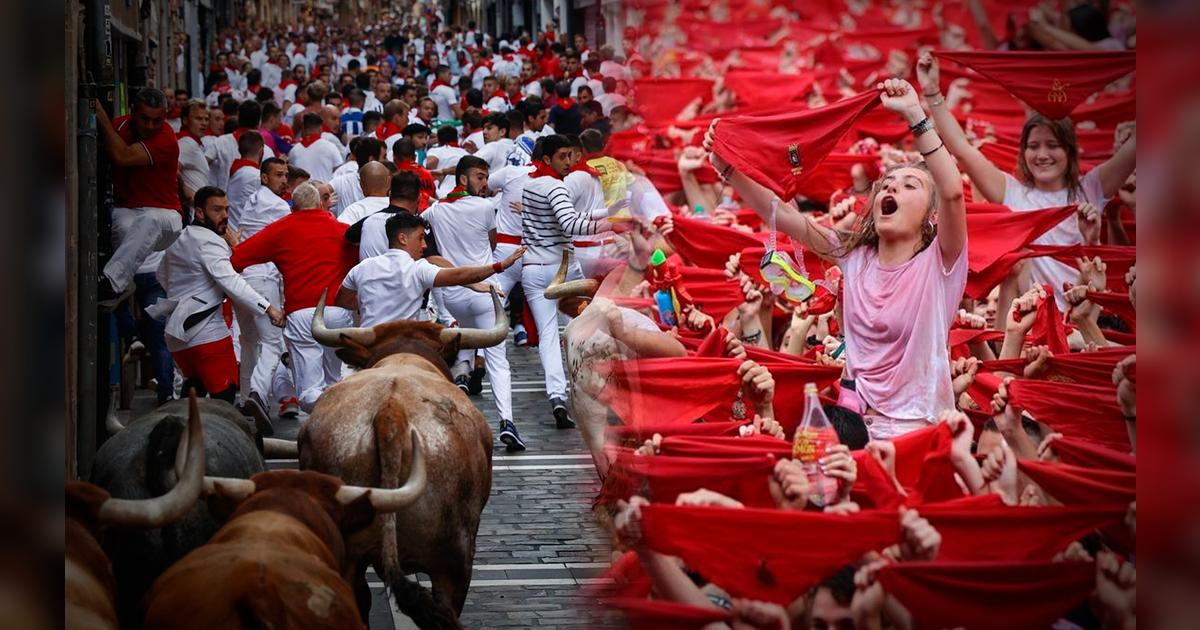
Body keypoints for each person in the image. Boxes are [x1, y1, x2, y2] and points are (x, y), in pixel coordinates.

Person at [705, 79, 968, 439]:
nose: (891, 188)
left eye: (910, 186)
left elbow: (952, 192)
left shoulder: (942, 262)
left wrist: (915, 115)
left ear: (931, 218)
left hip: (918, 432)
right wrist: (728, 167)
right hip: (853, 428)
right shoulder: (853, 255)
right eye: (887, 184)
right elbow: (782, 215)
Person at [916, 51, 1136, 314]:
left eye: (1052, 146)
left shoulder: (1091, 188)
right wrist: (932, 93)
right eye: (1033, 146)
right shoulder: (1012, 193)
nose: (1042, 155)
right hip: (1028, 324)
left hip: (1084, 321)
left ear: (1070, 152)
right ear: (1023, 153)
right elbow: (962, 149)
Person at [522, 134, 631, 427]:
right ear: (547, 159)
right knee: (592, 323)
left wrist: (606, 212)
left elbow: (568, 214)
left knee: (548, 335)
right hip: (564, 266)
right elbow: (571, 223)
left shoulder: (530, 184)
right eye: (563, 157)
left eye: (570, 155)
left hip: (534, 267)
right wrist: (612, 221)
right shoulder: (556, 187)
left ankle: (556, 395)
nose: (570, 163)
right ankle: (600, 384)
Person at [150, 186, 284, 409]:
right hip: (207, 333)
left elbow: (161, 275)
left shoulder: (179, 238)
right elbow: (231, 282)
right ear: (200, 213)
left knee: (193, 389)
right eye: (217, 210)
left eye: (226, 209)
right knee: (224, 399)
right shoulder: (211, 242)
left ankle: (183, 436)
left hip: (176, 335)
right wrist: (268, 307)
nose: (224, 216)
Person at [231, 182, 359, 413]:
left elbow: (237, 259)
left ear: (292, 207)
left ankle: (329, 411)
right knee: (333, 380)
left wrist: (232, 243)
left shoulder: (281, 228)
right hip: (338, 312)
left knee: (310, 390)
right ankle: (339, 415)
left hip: (301, 313)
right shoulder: (342, 229)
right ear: (321, 203)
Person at [421, 156, 523, 447]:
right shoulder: (485, 207)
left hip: (453, 296)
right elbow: (491, 244)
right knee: (497, 361)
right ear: (463, 179)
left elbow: (431, 248)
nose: (485, 183)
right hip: (483, 294)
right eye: (480, 177)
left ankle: (463, 376)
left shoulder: (435, 210)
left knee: (463, 343)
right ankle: (507, 422)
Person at [92, 87, 185, 309]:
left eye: (157, 120)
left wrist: (102, 117)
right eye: (145, 119)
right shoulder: (121, 127)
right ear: (132, 111)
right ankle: (123, 287)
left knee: (151, 218)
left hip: (167, 218)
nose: (151, 126)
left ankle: (113, 283)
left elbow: (122, 157)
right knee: (121, 223)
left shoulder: (167, 138)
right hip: (130, 211)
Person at [231, 157, 292, 427]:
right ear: (264, 177)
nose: (284, 180)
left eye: (285, 175)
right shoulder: (278, 205)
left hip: (242, 281)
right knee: (271, 342)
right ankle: (257, 392)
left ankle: (246, 399)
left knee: (248, 341)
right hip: (264, 280)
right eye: (278, 175)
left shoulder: (254, 199)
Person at [225, 131, 265, 231]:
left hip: (232, 228)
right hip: (246, 233)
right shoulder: (256, 176)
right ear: (261, 152)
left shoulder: (234, 170)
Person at [289, 112, 344, 184]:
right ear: (321, 128)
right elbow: (340, 171)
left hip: (301, 193)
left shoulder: (294, 150)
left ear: (304, 128)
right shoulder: (330, 147)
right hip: (323, 192)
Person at [337, 162, 393, 227]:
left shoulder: (354, 211)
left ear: (361, 185)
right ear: (389, 182)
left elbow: (340, 231)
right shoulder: (400, 208)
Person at [177, 99, 211, 204]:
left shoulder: (192, 142)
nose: (204, 123)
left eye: (206, 119)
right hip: (192, 211)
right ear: (185, 120)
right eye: (199, 118)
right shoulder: (187, 143)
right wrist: (188, 194)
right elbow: (171, 171)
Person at [426, 125, 469, 195]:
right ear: (456, 139)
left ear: (439, 140)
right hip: (464, 193)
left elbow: (429, 164)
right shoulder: (466, 153)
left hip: (442, 193)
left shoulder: (436, 150)